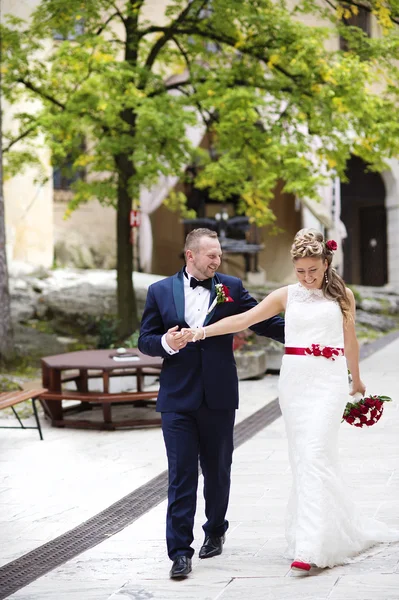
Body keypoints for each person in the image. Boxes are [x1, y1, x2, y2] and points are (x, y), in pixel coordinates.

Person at [185, 228, 399, 575]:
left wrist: (356, 380)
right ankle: (321, 532)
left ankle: (312, 548)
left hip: (328, 382)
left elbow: (351, 341)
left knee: (315, 453)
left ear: (326, 263)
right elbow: (244, 319)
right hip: (295, 383)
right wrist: (201, 331)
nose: (307, 277)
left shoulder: (343, 295)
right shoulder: (286, 295)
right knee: (305, 460)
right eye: (300, 271)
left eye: (313, 270)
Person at [138, 228, 285, 579]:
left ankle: (216, 529)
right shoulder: (159, 291)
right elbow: (145, 339)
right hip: (177, 398)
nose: (217, 260)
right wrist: (166, 342)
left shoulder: (231, 287)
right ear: (191, 255)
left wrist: (307, 332)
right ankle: (179, 552)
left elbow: (262, 320)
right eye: (211, 255)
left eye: (219, 254)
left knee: (218, 470)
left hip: (218, 395)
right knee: (181, 475)